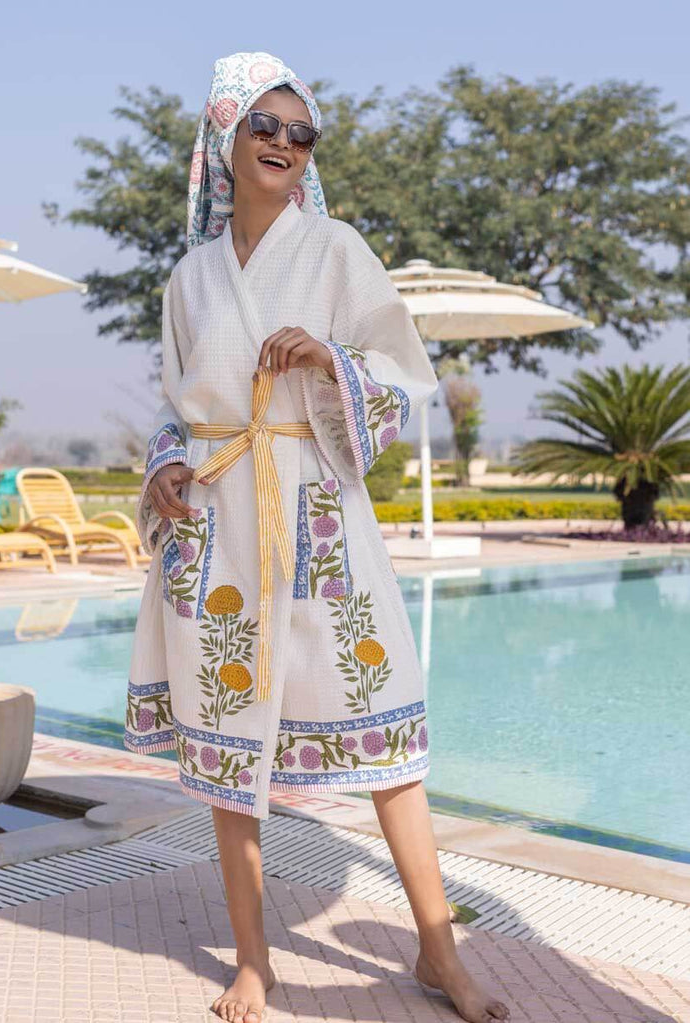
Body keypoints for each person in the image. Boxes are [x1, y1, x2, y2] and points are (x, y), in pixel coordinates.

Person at [125, 50, 511, 1023]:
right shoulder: (189, 278)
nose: (284, 144)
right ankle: (253, 962)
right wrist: (165, 465)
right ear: (224, 139)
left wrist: (329, 358)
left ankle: (438, 950)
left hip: (319, 521)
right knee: (227, 751)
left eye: (302, 133)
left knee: (386, 736)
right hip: (216, 524)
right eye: (265, 126)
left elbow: (402, 373)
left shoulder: (337, 250)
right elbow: (175, 406)